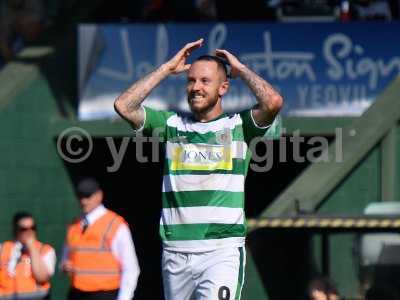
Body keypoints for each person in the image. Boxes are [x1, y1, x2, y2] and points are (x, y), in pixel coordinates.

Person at [114, 38, 283, 299]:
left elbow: (272, 102)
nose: (195, 87)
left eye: (205, 81)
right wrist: (166, 69)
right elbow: (124, 106)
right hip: (175, 251)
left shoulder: (238, 127)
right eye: (191, 81)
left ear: (224, 87)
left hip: (221, 251)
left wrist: (242, 70)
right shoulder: (170, 126)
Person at [61, 177, 140, 300]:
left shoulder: (115, 224)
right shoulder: (74, 226)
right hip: (77, 292)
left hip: (105, 293)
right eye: (80, 196)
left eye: (88, 196)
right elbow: (65, 259)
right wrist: (65, 266)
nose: (83, 201)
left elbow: (131, 267)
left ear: (99, 195)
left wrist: (124, 298)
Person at [0, 212, 56, 299]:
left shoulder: (45, 250)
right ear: (16, 230)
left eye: (32, 228)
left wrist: (32, 248)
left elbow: (42, 277)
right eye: (24, 229)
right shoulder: (3, 248)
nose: (29, 232)